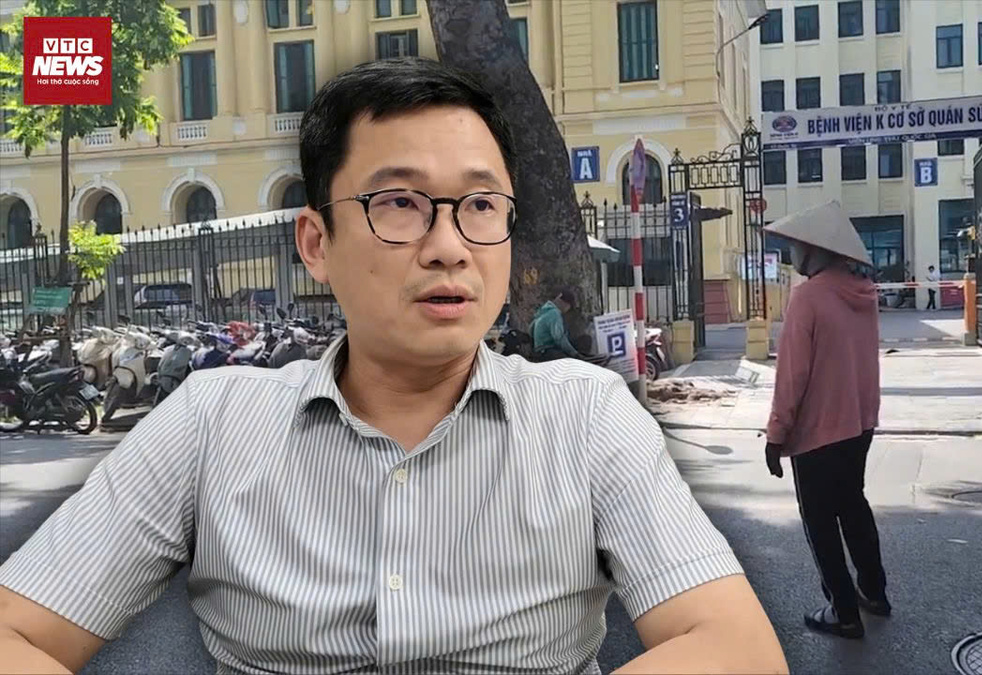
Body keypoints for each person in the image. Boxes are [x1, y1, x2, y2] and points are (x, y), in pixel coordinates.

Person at [0, 59, 787, 675]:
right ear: (317, 244)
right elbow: (19, 630)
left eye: (481, 206)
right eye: (400, 204)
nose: (449, 246)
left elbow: (735, 646)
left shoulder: (587, 418)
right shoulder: (212, 424)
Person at [762, 200, 891, 640]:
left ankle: (843, 611)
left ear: (815, 249)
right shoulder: (865, 292)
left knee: (819, 522)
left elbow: (792, 376)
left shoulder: (808, 298)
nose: (792, 254)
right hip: (859, 423)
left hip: (817, 431)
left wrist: (776, 435)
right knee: (853, 506)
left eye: (797, 245)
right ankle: (874, 591)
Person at [531, 288, 582, 361]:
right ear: (565, 304)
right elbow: (559, 338)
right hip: (548, 352)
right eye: (569, 307)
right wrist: (575, 354)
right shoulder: (555, 313)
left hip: (538, 351)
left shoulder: (543, 311)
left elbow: (531, 330)